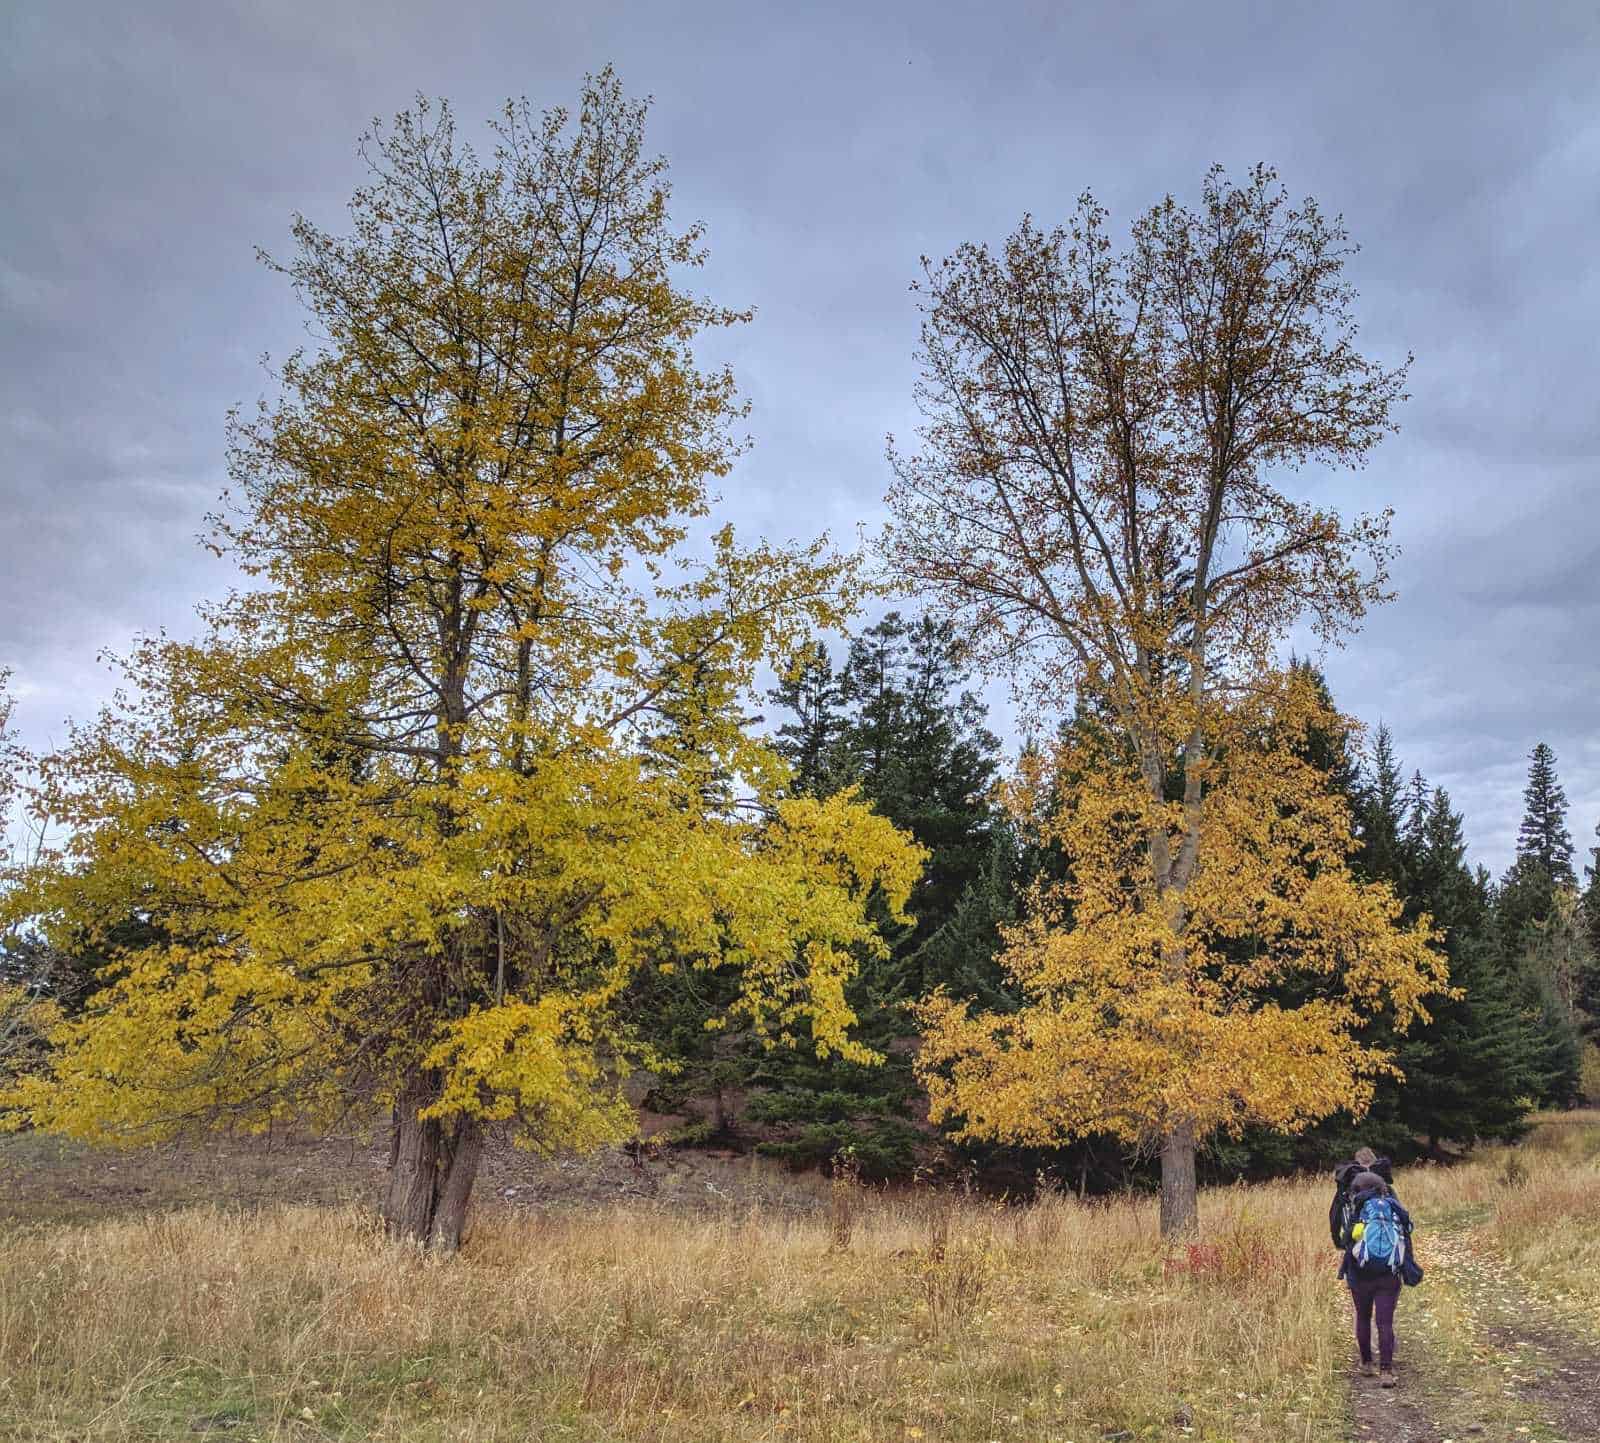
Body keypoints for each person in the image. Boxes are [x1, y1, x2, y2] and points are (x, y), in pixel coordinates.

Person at [1335, 1158, 1414, 1388]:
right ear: (1382, 1188)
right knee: (1385, 1321)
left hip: (1360, 1275)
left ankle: (1367, 1363)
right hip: (1388, 1275)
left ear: (1356, 1189)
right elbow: (1407, 1235)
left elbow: (1344, 1239)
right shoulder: (1392, 1207)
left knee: (1363, 1317)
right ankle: (1387, 1371)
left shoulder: (1354, 1208)